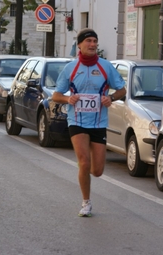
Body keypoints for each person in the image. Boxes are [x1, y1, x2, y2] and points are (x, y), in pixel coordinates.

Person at [53, 28, 126, 217]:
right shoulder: (71, 68)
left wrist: (110, 98)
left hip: (99, 122)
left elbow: (122, 90)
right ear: (79, 45)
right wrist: (68, 99)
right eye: (89, 41)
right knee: (84, 163)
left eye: (95, 41)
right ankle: (86, 203)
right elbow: (56, 95)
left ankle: (89, 174)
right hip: (76, 121)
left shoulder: (105, 66)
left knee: (98, 170)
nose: (93, 44)